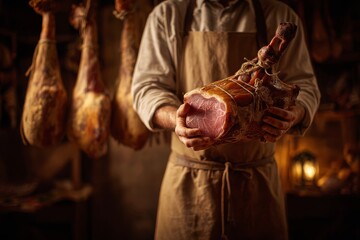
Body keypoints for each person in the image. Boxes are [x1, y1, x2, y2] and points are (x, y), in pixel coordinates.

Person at [131, 0, 320, 239]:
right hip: (190, 186)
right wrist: (175, 119)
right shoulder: (167, 15)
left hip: (256, 187)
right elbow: (147, 87)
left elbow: (306, 87)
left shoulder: (279, 15)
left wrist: (294, 114)